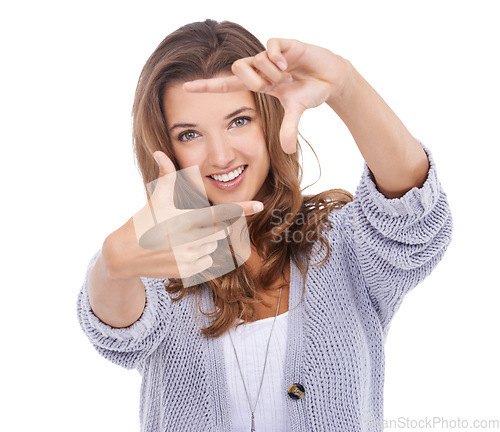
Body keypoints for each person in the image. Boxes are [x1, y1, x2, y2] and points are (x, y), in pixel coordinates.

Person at [77, 19, 453, 432]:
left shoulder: (342, 247)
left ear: (268, 119)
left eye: (239, 121)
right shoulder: (163, 264)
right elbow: (118, 330)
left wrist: (346, 87)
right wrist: (112, 264)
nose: (220, 156)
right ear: (165, 146)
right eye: (189, 134)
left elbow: (414, 216)